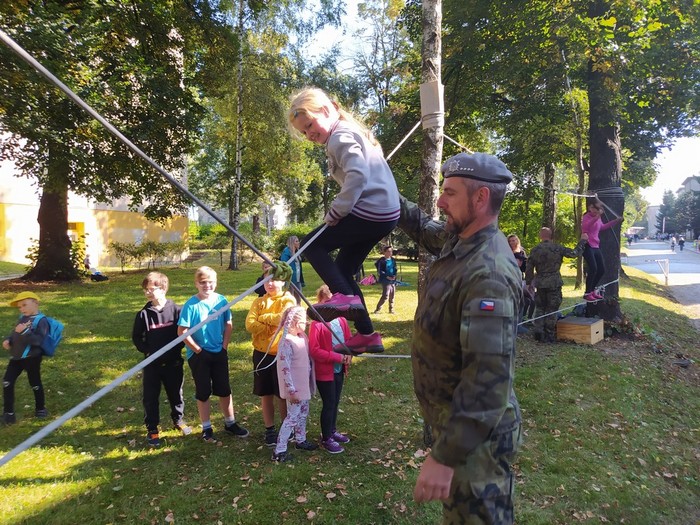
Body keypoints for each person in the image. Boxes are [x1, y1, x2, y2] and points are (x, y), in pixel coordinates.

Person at [398, 152, 522, 524]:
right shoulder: (460, 240)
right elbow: (422, 226)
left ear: (480, 198)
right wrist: (375, 184)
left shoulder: (489, 273)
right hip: (456, 428)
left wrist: (444, 457)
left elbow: (487, 383)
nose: (440, 201)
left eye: (449, 193)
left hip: (474, 444)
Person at [288, 87, 400, 354]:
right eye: (303, 132)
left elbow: (358, 176)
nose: (309, 134)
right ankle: (367, 334)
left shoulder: (339, 137)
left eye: (310, 125)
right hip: (384, 214)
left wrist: (338, 209)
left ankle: (344, 298)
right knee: (343, 269)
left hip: (371, 211)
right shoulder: (346, 133)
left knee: (311, 245)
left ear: (327, 110)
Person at [177, 266, 249, 443]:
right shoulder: (191, 305)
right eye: (202, 282)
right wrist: (198, 350)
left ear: (215, 283)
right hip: (199, 355)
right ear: (196, 284)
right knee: (203, 391)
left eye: (210, 282)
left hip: (219, 352)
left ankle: (230, 423)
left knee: (224, 389)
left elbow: (228, 324)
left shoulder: (221, 301)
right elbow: (182, 331)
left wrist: (224, 347)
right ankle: (207, 427)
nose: (207, 285)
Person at [132, 272, 191, 447]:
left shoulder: (177, 310)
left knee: (176, 393)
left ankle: (178, 419)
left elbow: (184, 333)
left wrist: (177, 349)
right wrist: (147, 351)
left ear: (163, 289)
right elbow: (137, 337)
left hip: (173, 362)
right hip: (152, 365)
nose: (147, 293)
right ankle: (152, 428)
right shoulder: (143, 314)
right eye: (145, 290)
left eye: (151, 289)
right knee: (150, 397)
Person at [245, 272, 297, 448]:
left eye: (274, 280)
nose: (270, 283)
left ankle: (286, 427)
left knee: (281, 394)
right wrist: (271, 326)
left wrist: (263, 318)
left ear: (283, 282)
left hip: (281, 354)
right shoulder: (258, 302)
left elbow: (284, 317)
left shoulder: (288, 300)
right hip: (261, 353)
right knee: (265, 393)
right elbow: (249, 324)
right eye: (267, 280)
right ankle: (270, 429)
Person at [270, 306, 318, 462]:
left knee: (303, 413)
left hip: (303, 386)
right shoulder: (287, 342)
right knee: (292, 417)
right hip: (294, 389)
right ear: (296, 323)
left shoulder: (301, 337)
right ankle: (279, 450)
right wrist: (291, 390)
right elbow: (284, 368)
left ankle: (300, 439)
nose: (306, 323)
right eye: (304, 321)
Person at [308, 285, 352, 454]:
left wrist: (349, 354)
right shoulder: (317, 324)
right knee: (329, 402)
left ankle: (332, 431)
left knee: (335, 401)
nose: (330, 307)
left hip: (339, 369)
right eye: (326, 303)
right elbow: (314, 350)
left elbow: (348, 341)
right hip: (325, 372)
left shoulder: (341, 320)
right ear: (320, 302)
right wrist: (337, 357)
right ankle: (326, 438)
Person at [525, 228, 588, 343]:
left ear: (540, 236)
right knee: (552, 309)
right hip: (554, 282)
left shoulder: (535, 250)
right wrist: (583, 241)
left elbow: (529, 268)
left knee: (540, 307)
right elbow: (574, 253)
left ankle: (538, 332)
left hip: (540, 283)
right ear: (551, 236)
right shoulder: (557, 248)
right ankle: (549, 335)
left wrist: (529, 283)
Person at [2, 292, 50, 424]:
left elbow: (38, 341)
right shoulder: (22, 318)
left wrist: (24, 331)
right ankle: (8, 414)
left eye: (24, 305)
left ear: (36, 303)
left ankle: (40, 408)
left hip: (31, 358)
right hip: (16, 357)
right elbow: (15, 333)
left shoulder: (42, 320)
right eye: (19, 307)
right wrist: (9, 340)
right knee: (7, 382)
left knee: (35, 383)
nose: (22, 309)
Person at [581, 198, 623, 301]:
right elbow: (586, 227)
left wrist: (615, 221)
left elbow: (602, 227)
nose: (597, 210)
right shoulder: (586, 217)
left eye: (599, 208)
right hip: (587, 245)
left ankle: (592, 290)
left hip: (596, 245)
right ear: (590, 207)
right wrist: (597, 216)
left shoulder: (598, 218)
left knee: (601, 270)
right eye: (595, 208)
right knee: (593, 268)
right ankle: (587, 293)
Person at [373, 245, 398, 314]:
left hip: (392, 279)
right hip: (385, 279)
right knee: (386, 295)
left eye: (391, 251)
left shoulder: (393, 260)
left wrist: (394, 275)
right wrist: (386, 276)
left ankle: (391, 309)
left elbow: (395, 268)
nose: (390, 253)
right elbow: (380, 271)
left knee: (392, 294)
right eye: (388, 251)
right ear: (384, 252)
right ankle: (377, 309)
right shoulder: (382, 261)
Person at [279, 236, 305, 303]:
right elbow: (284, 264)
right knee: (290, 297)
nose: (298, 242)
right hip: (290, 278)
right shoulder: (286, 252)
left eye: (298, 241)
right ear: (292, 242)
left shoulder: (297, 251)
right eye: (296, 241)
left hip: (297, 278)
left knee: (298, 297)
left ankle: (298, 307)